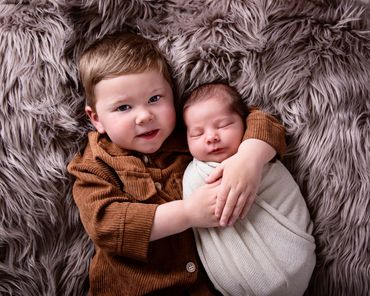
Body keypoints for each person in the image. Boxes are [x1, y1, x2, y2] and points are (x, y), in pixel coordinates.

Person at [67, 32, 287, 295]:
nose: (145, 116)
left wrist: (249, 158)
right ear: (97, 119)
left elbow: (261, 121)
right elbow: (106, 226)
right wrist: (188, 213)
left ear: (172, 94)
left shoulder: (190, 134)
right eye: (124, 108)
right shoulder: (95, 163)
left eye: (155, 99)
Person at [182, 83, 316, 296]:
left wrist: (250, 157)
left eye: (223, 125)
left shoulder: (260, 151)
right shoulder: (191, 171)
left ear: (244, 123)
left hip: (292, 261)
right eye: (197, 134)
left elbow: (265, 120)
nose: (211, 137)